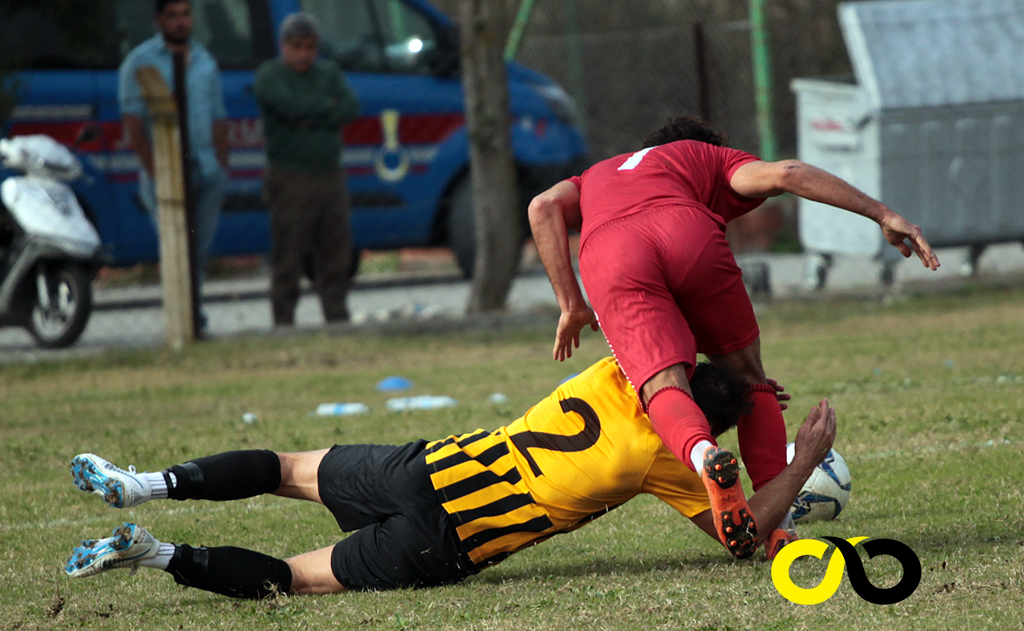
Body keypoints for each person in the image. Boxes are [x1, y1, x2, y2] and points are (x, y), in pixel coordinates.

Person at [64, 358, 836, 599]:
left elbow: (662, 320)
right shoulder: (667, 461)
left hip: (430, 465)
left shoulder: (616, 366)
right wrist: (799, 459)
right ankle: (153, 553)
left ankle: (143, 482)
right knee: (292, 581)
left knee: (282, 467)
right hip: (450, 540)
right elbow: (741, 534)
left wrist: (738, 378)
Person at [528, 116, 941, 559]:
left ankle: (704, 455)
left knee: (664, 388)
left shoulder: (595, 175)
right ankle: (780, 532)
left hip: (611, 250)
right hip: (687, 231)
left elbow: (542, 206)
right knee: (749, 380)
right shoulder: (702, 155)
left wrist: (570, 303)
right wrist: (882, 213)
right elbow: (787, 174)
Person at [119, 0, 229, 325]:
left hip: (206, 167)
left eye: (186, 14)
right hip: (166, 170)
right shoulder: (140, 62)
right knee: (175, 245)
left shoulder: (205, 60)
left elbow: (219, 115)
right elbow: (133, 123)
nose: (181, 23)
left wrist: (222, 163)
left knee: (200, 247)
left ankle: (192, 312)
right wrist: (154, 169)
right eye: (173, 16)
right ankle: (183, 317)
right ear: (159, 20)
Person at [253, 12, 360, 326]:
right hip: (290, 175)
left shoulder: (329, 73)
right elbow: (286, 105)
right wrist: (325, 107)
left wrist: (308, 117)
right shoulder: (270, 74)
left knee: (337, 253)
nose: (303, 55)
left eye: (310, 47)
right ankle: (284, 319)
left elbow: (350, 107)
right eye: (296, 46)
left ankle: (337, 315)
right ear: (283, 45)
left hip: (329, 174)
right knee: (289, 254)